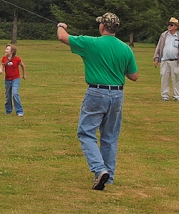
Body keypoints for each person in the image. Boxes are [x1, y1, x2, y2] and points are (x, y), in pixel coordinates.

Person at [56, 13, 138, 191]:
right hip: (117, 95)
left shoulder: (90, 43)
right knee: (109, 137)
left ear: (102, 26)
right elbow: (134, 76)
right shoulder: (125, 49)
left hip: (96, 92)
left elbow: (62, 36)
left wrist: (61, 25)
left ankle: (100, 169)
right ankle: (108, 177)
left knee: (86, 133)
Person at [153, 17, 179, 101]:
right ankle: (165, 95)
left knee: (176, 78)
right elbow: (159, 47)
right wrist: (156, 58)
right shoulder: (163, 35)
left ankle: (176, 96)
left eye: (171, 25)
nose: (169, 26)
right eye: (169, 25)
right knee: (164, 78)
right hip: (165, 60)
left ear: (176, 26)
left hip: (176, 61)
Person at [0, 44, 26, 117]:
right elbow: (2, 65)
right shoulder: (4, 58)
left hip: (15, 79)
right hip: (7, 80)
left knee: (15, 93)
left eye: (7, 49)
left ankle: (19, 111)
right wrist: (0, 70)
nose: (5, 50)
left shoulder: (17, 59)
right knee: (8, 96)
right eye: (6, 49)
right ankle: (8, 110)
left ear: (12, 51)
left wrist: (24, 74)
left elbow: (22, 65)